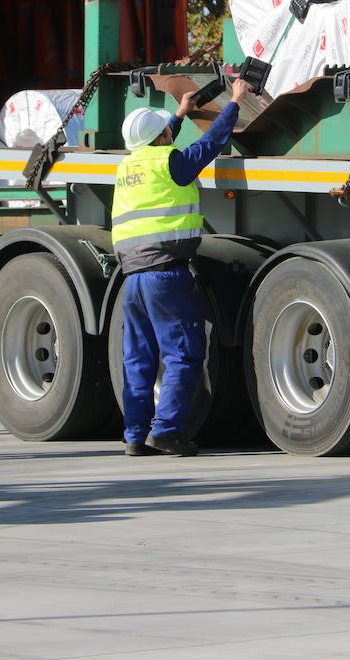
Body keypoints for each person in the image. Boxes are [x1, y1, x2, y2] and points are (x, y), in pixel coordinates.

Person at [114, 75, 250, 457]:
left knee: (138, 359)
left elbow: (156, 143)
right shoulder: (170, 163)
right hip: (165, 274)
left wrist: (177, 114)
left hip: (133, 277)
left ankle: (135, 436)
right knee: (183, 355)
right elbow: (208, 146)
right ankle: (168, 431)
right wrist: (235, 102)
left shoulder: (129, 166)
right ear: (161, 138)